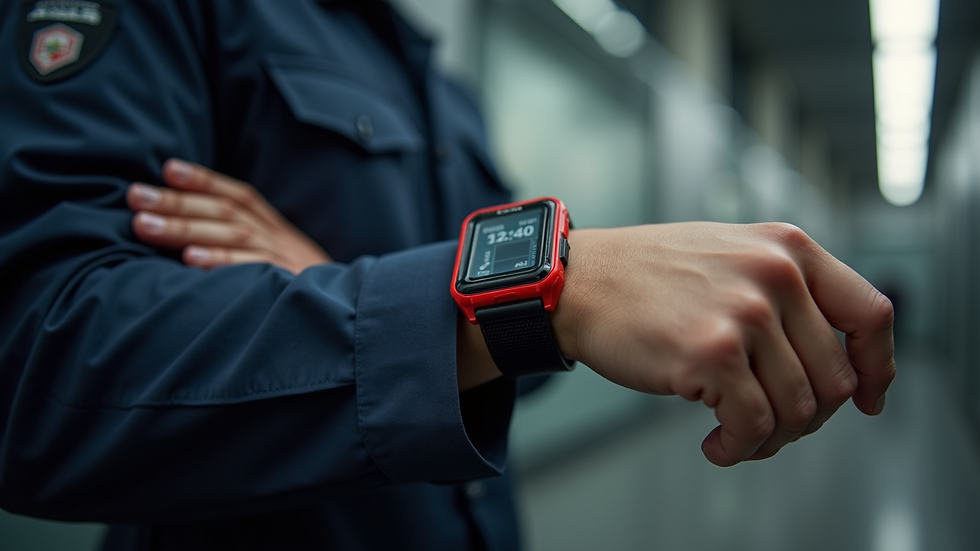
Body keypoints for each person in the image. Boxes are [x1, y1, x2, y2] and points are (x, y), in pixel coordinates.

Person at [0, 1, 895, 550]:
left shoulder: (440, 84)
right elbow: (38, 363)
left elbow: (510, 361)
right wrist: (539, 298)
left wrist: (354, 294)